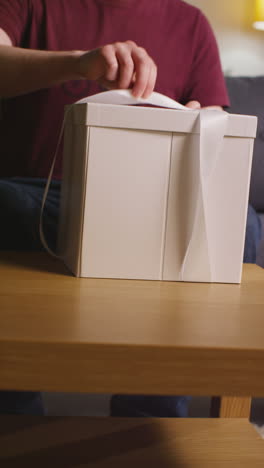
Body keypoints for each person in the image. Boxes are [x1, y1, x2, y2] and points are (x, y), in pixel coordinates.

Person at [0, 0, 260, 416]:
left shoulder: (190, 22)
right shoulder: (29, 5)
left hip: (150, 206)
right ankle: (15, 419)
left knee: (242, 226)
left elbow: (215, 124)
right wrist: (77, 63)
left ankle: (150, 421)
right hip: (39, 198)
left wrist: (198, 122)